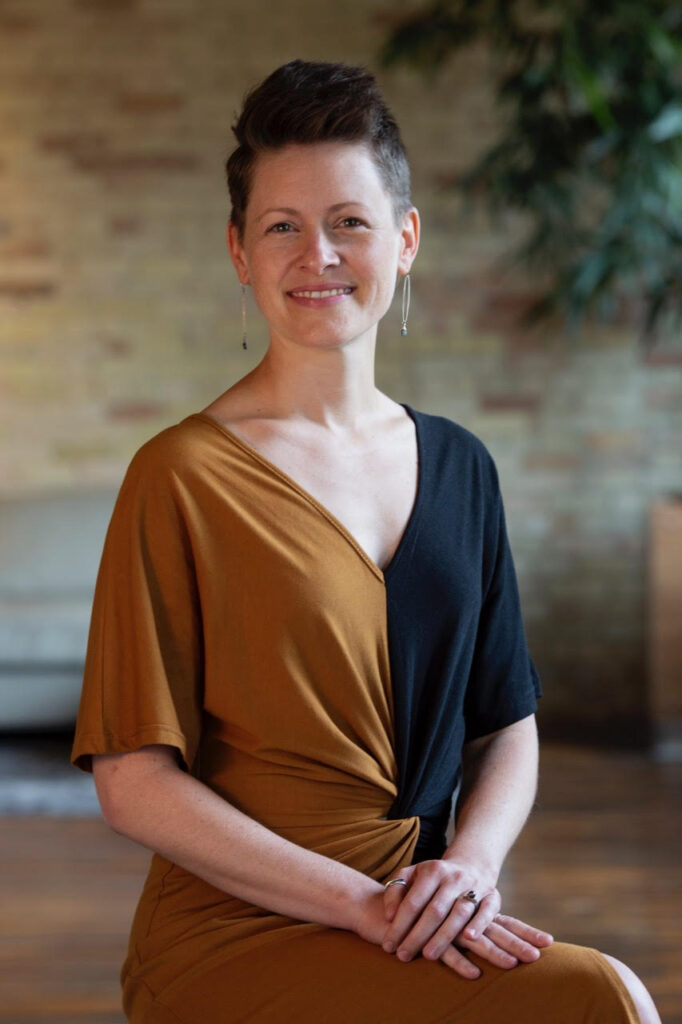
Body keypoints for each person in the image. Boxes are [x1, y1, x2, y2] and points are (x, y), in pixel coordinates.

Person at [70, 59, 660, 1023]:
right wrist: (360, 903)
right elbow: (134, 782)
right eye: (281, 227)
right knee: (599, 999)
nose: (320, 256)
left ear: (405, 239)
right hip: (238, 931)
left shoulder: (464, 468)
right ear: (238, 252)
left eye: (349, 221)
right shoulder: (179, 475)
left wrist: (468, 868)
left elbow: (507, 722)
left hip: (417, 912)